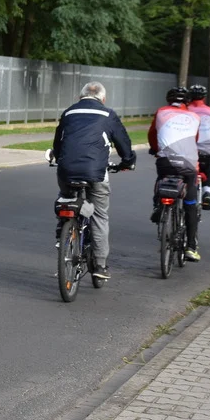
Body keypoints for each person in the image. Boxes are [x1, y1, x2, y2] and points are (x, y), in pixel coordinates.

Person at [50, 81, 136, 280]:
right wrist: (127, 161)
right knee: (99, 215)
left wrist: (57, 156)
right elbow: (124, 143)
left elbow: (58, 143)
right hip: (96, 173)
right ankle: (99, 264)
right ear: (103, 98)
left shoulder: (69, 113)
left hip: (67, 170)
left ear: (80, 97)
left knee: (66, 196)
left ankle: (62, 227)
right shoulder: (108, 114)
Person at [148, 86, 202, 262]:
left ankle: (158, 205)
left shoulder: (161, 112)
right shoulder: (195, 117)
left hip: (166, 162)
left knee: (162, 176)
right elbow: (195, 140)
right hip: (188, 165)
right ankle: (191, 247)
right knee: (191, 203)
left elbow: (152, 135)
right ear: (187, 102)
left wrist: (156, 149)